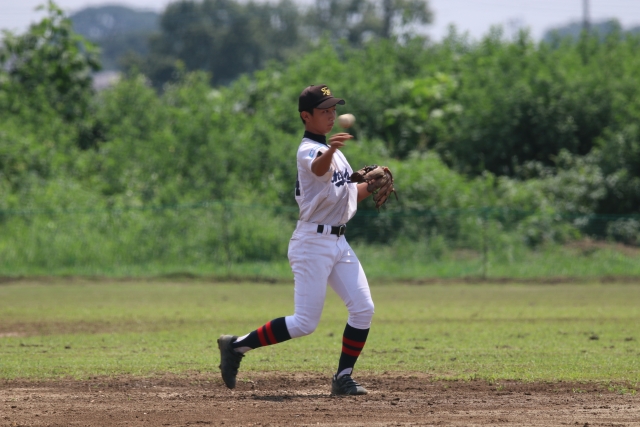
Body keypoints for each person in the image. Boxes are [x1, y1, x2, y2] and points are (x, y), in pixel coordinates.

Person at [218, 84, 376, 396]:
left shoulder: (338, 158)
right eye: (324, 111)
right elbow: (318, 168)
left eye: (333, 109)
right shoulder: (309, 150)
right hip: (311, 243)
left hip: (338, 242)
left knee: (363, 308)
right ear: (306, 116)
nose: (331, 115)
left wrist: (370, 184)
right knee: (305, 323)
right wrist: (331, 150)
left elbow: (346, 197)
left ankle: (343, 377)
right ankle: (235, 347)